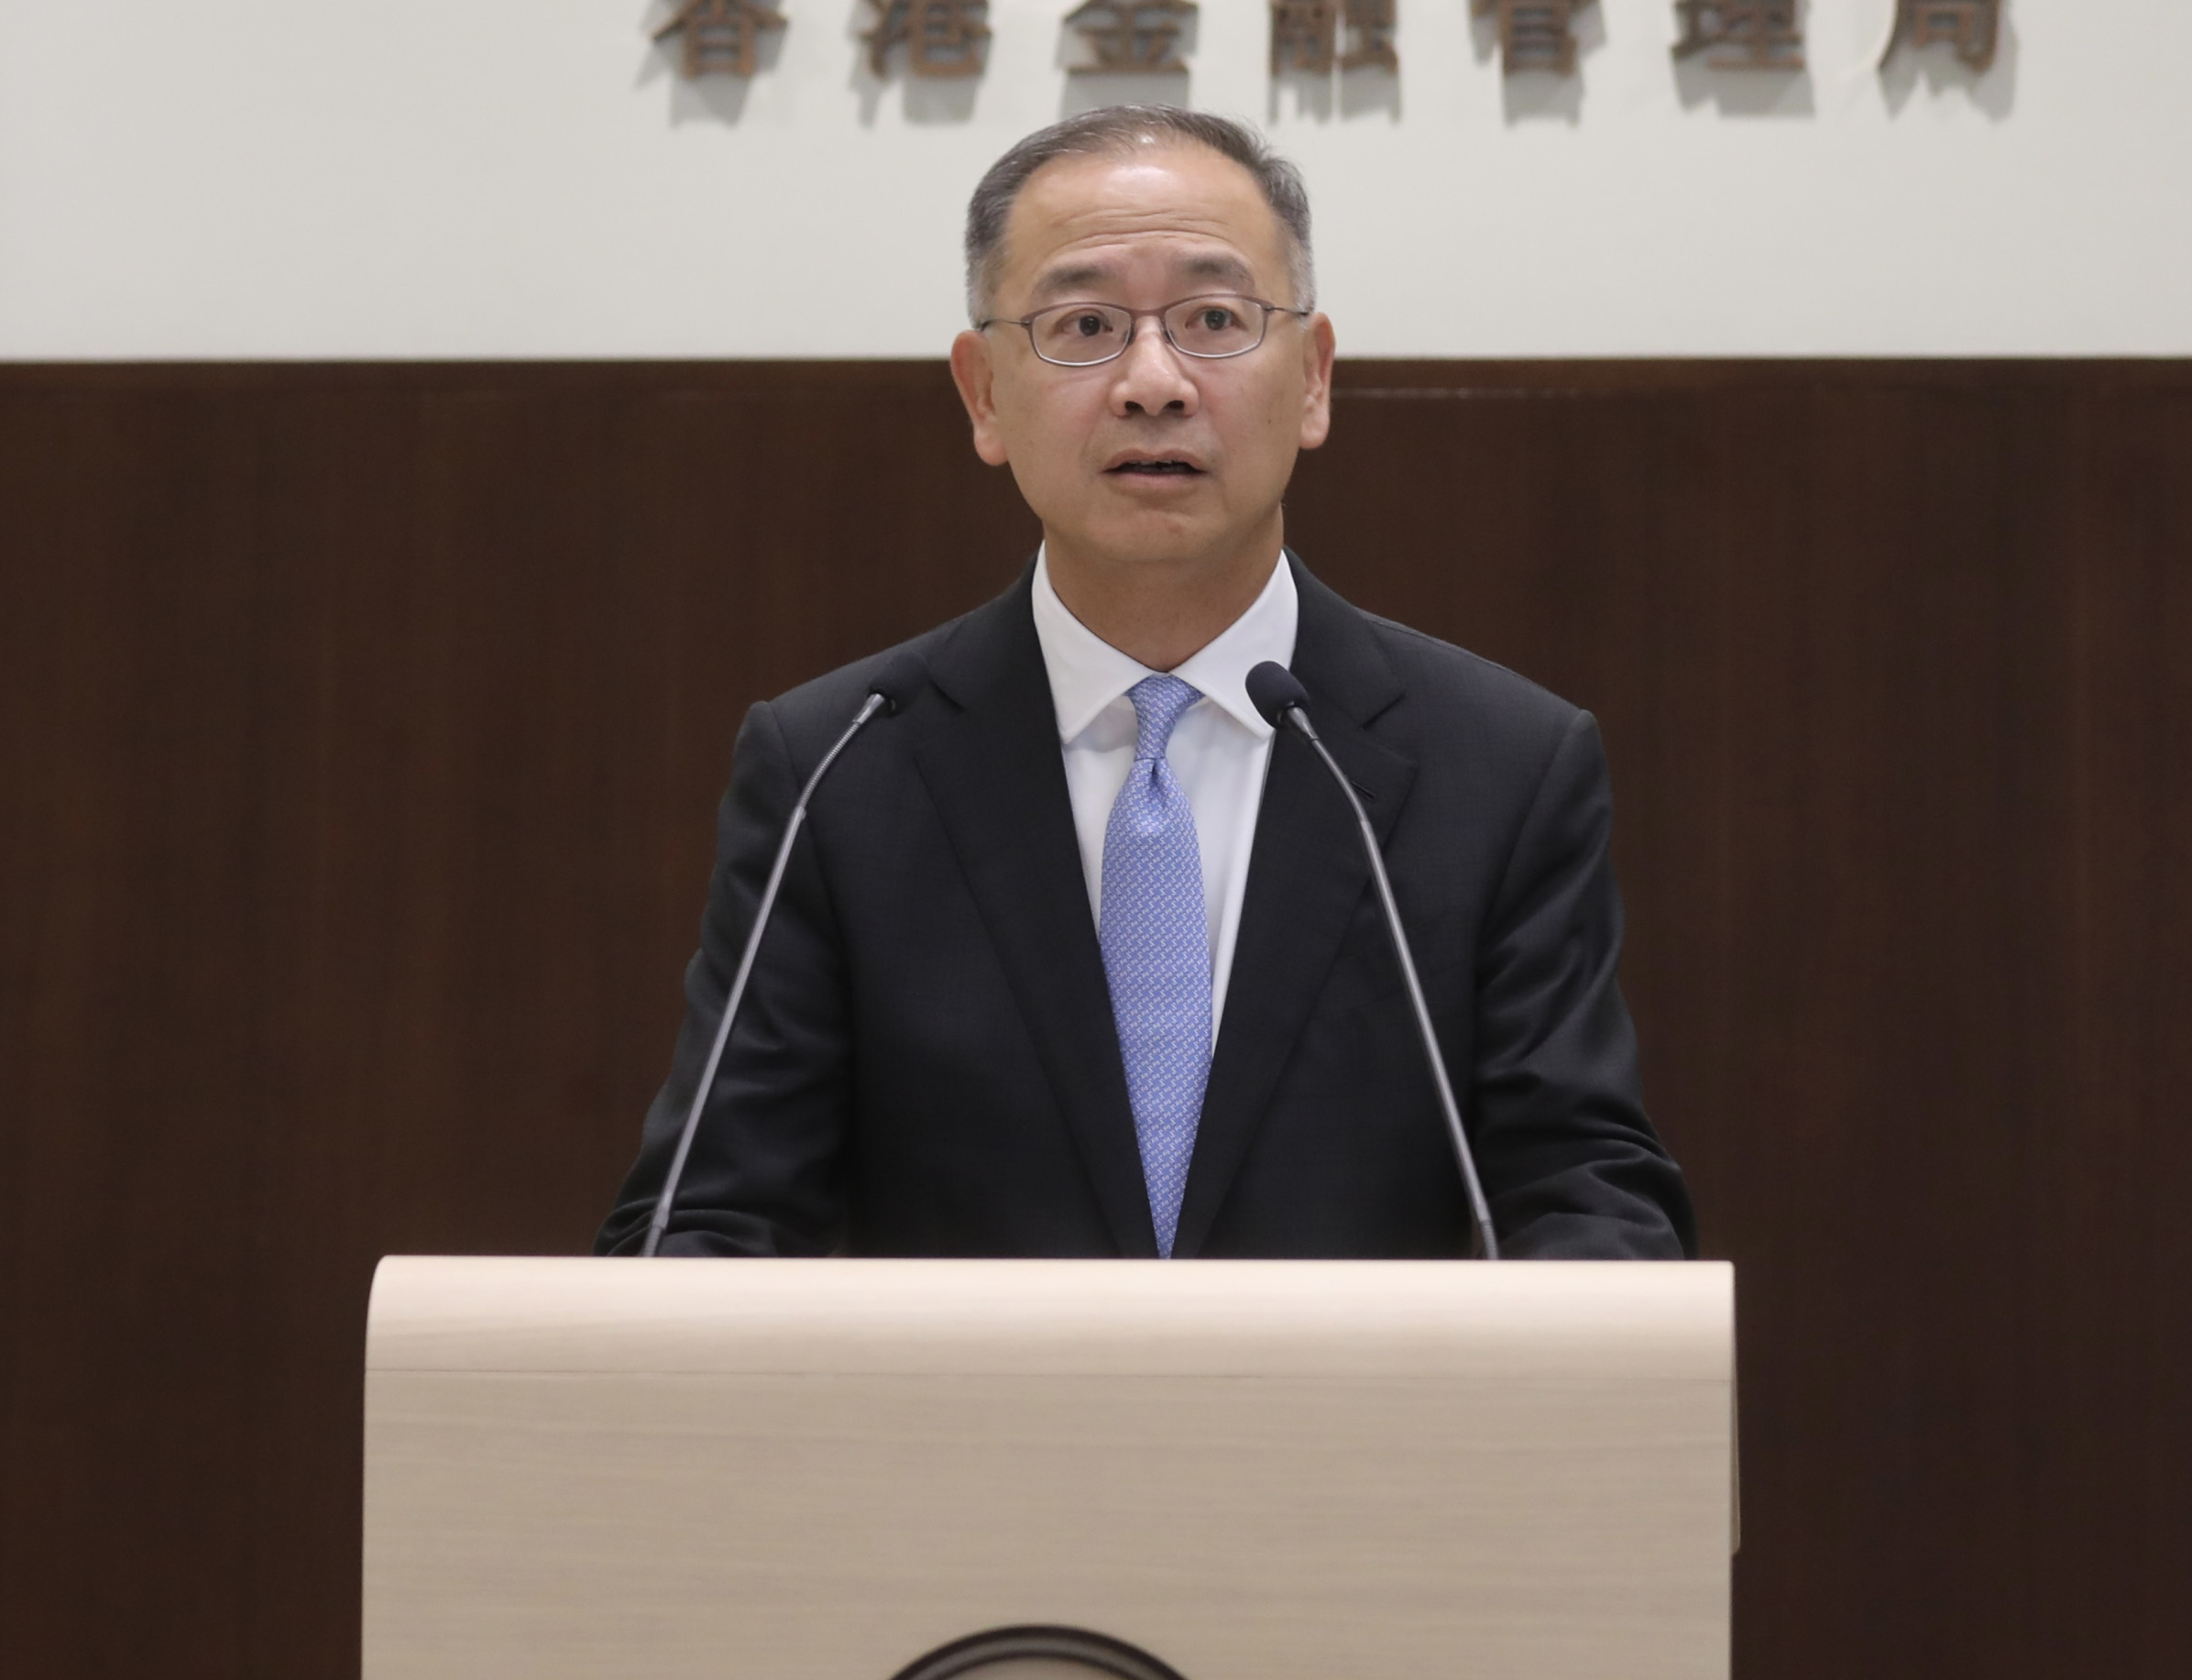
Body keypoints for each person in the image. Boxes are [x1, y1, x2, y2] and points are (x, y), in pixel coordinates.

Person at [595, 105, 1693, 1261]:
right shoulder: (838, 766)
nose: (1153, 383)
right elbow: (705, 1218)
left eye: (1215, 319)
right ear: (982, 396)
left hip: (1351, 1440)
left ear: (1313, 379)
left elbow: (1583, 1194)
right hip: (971, 1441)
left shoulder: (1502, 765)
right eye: (1084, 325)